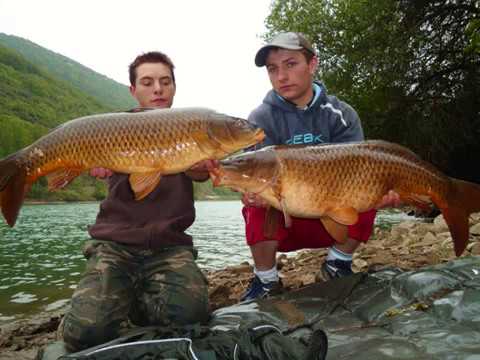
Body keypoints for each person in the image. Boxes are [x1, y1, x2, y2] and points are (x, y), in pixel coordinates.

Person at [60, 51, 213, 352]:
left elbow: (200, 174)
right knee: (87, 332)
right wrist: (88, 161)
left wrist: (200, 166)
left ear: (173, 87)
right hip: (115, 244)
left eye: (165, 82)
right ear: (133, 90)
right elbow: (80, 162)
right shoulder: (115, 127)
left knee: (192, 318)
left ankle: (137, 301)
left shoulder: (192, 127)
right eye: (147, 82)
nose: (157, 88)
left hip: (170, 246)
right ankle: (81, 314)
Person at [240, 32, 400, 302]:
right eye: (273, 69)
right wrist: (250, 191)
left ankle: (337, 262)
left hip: (334, 215)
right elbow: (254, 171)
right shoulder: (260, 118)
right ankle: (266, 279)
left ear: (312, 64)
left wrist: (383, 195)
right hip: (286, 218)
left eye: (291, 64)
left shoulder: (342, 114)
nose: (281, 76)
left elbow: (359, 171)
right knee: (255, 202)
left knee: (368, 189)